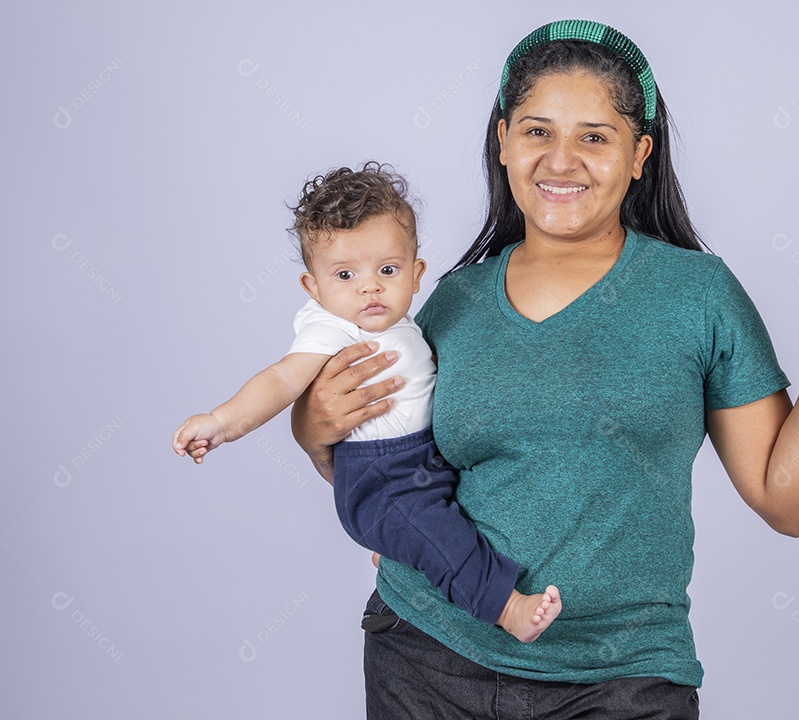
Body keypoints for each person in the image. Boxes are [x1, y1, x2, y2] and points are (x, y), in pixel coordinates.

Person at [291, 19, 799, 719]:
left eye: (595, 138)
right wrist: (311, 427)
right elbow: (388, 463)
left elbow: (787, 504)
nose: (561, 160)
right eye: (537, 131)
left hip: (621, 678)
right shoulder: (452, 302)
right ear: (504, 141)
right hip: (427, 656)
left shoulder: (698, 296)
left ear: (640, 154)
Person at [171, 162, 561, 642]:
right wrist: (221, 422)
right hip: (382, 475)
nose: (369, 286)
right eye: (344, 274)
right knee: (443, 539)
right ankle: (506, 607)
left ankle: (396, 544)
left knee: (440, 523)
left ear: (416, 274)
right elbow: (281, 379)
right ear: (313, 288)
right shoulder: (330, 327)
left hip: (422, 459)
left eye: (388, 270)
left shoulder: (404, 323)